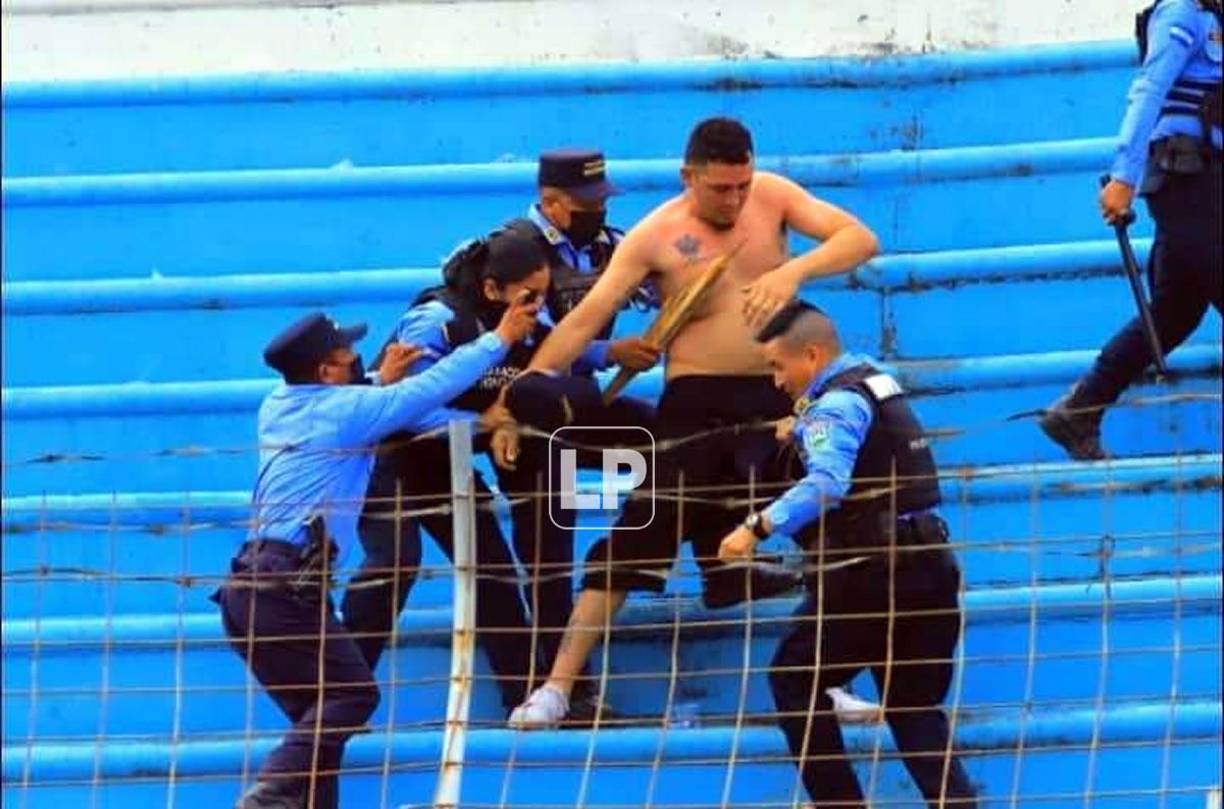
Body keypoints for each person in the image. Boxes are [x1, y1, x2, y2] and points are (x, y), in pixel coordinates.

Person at [508, 116, 881, 728]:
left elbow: (859, 238)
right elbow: (584, 319)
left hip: (778, 397)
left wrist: (793, 271)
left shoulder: (775, 196)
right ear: (689, 177)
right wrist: (525, 389)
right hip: (695, 404)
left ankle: (831, 676)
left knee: (828, 529)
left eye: (741, 185)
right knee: (636, 537)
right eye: (719, 189)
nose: (733, 200)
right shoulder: (657, 234)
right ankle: (555, 685)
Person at [212, 303, 536, 809]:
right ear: (326, 371)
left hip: (254, 587)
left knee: (318, 724)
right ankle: (270, 791)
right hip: (287, 588)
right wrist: (499, 339)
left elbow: (354, 404)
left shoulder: (277, 403)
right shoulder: (348, 412)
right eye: (348, 356)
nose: (358, 358)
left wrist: (376, 379)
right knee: (353, 696)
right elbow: (425, 391)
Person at [346, 228, 621, 723]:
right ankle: (337, 694)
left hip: (448, 467)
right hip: (389, 463)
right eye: (529, 296)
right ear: (492, 290)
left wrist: (611, 353)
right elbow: (399, 409)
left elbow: (561, 348)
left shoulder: (525, 317)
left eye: (543, 294)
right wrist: (479, 423)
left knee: (494, 573)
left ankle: (523, 696)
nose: (539, 306)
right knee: (393, 566)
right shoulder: (436, 322)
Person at [718, 301, 977, 808]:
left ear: (811, 356)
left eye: (778, 365)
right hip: (931, 565)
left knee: (793, 678)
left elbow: (827, 483)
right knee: (913, 707)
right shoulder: (876, 383)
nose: (776, 381)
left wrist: (756, 527)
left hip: (870, 575)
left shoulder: (835, 405)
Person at [1040, 0, 1221, 460]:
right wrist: (1124, 175)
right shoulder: (1182, 13)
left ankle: (1080, 409)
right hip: (1188, 178)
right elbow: (1150, 89)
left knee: (1175, 311)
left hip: (1207, 177)